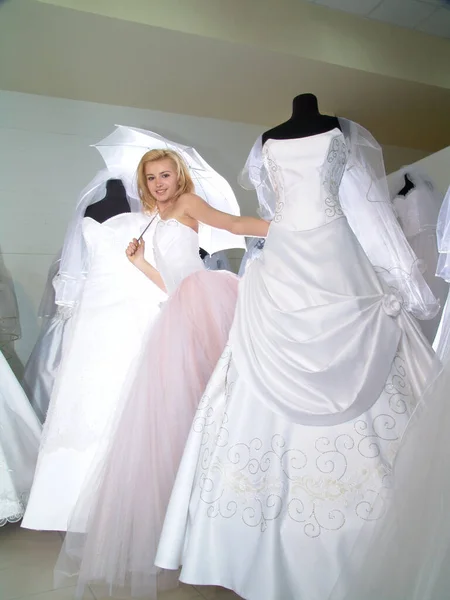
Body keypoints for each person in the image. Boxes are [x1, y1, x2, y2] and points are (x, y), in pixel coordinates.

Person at [55, 148, 268, 599]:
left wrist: (283, 229)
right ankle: (194, 514)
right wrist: (139, 262)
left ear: (179, 176)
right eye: (151, 178)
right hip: (178, 306)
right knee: (185, 409)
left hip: (205, 298)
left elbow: (230, 226)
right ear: (144, 182)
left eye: (165, 175)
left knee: (219, 395)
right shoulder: (152, 218)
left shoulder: (187, 204)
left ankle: (235, 504)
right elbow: (170, 281)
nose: (159, 184)